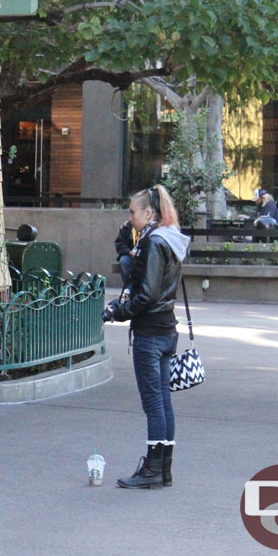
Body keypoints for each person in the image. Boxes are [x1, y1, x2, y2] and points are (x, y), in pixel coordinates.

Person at [102, 184, 190, 489]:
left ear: (148, 212)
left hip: (150, 332)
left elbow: (147, 294)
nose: (129, 217)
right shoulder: (169, 239)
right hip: (166, 330)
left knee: (153, 403)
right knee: (163, 402)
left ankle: (153, 469)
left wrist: (118, 312)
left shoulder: (153, 243)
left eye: (132, 211)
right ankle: (163, 468)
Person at [114, 218, 138, 294]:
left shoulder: (146, 226)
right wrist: (129, 252)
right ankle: (128, 286)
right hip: (129, 254)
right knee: (124, 261)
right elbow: (119, 243)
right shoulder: (126, 226)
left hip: (143, 254)